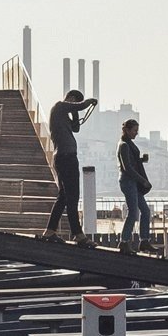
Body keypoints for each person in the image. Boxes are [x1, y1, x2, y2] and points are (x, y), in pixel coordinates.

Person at [43, 88, 97, 240]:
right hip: (66, 157)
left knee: (64, 197)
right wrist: (87, 102)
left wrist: (75, 112)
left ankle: (50, 231)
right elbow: (80, 106)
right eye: (74, 101)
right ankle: (78, 234)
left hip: (64, 157)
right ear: (71, 98)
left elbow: (76, 128)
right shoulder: (59, 106)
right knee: (72, 196)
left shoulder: (63, 115)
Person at [115, 120, 153, 249]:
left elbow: (131, 162)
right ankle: (124, 242)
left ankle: (144, 241)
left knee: (146, 211)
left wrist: (142, 160)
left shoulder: (128, 144)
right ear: (127, 130)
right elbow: (127, 168)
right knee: (133, 211)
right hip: (128, 181)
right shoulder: (124, 145)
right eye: (134, 130)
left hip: (133, 182)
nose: (136, 133)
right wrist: (143, 180)